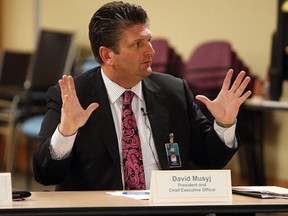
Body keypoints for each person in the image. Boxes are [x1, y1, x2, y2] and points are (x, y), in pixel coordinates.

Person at [33, 1, 251, 191]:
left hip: (166, 209)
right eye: (138, 44)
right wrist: (66, 133)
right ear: (107, 55)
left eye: (149, 41)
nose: (151, 51)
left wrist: (224, 124)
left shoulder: (174, 91)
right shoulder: (73, 97)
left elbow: (209, 159)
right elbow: (46, 175)